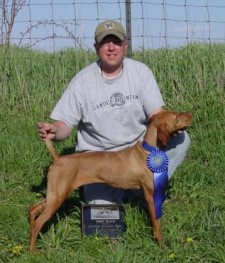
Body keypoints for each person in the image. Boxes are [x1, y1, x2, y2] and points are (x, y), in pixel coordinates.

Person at [38, 20, 190, 205]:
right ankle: (120, 193)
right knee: (101, 212)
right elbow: (64, 124)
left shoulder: (140, 72)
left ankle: (147, 189)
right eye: (105, 42)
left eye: (116, 42)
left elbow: (156, 116)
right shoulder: (82, 82)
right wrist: (54, 130)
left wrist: (173, 126)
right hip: (99, 162)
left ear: (125, 45)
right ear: (96, 47)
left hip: (137, 154)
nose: (111, 48)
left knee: (181, 140)